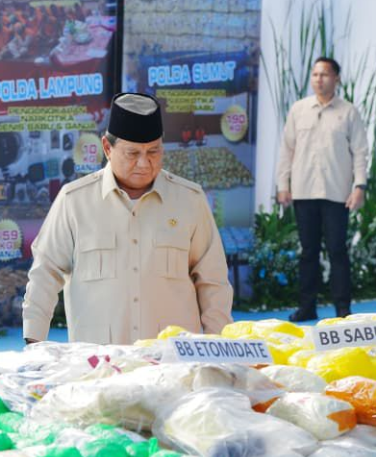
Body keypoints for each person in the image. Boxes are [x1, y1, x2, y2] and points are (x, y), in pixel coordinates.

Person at [22, 92, 233, 345]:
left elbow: (213, 282)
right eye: (132, 153)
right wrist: (33, 342)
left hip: (172, 361)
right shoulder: (74, 201)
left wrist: (220, 348)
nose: (144, 163)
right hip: (99, 363)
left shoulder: (189, 200)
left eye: (154, 151)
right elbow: (45, 272)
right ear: (107, 148)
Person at [276, 57, 369, 321]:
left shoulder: (349, 112)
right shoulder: (299, 109)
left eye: (325, 74)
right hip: (304, 190)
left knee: (338, 250)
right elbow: (287, 150)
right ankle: (307, 307)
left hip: (337, 192)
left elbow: (361, 152)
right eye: (315, 74)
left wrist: (359, 186)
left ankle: (343, 309)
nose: (319, 79)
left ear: (336, 78)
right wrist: (283, 185)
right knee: (308, 252)